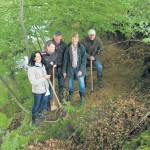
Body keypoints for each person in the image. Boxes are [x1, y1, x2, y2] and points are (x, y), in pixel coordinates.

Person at [62, 32, 87, 104]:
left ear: (78, 39)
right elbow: (65, 59)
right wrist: (64, 71)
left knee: (81, 83)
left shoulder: (81, 47)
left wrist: (81, 70)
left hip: (79, 68)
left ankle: (82, 96)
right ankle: (70, 95)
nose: (74, 41)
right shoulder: (68, 47)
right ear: (71, 39)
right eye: (73, 39)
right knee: (70, 83)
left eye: (75, 39)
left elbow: (84, 60)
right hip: (70, 68)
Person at [28, 51, 50, 126]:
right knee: (36, 105)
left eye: (39, 56)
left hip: (44, 88)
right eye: (36, 56)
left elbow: (44, 75)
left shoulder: (42, 65)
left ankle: (39, 114)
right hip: (37, 91)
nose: (38, 58)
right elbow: (33, 82)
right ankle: (33, 120)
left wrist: (46, 76)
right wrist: (44, 78)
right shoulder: (31, 69)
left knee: (41, 104)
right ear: (33, 59)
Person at [41, 41, 58, 112]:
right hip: (45, 77)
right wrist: (49, 64)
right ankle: (45, 107)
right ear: (47, 47)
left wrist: (55, 64)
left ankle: (50, 105)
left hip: (53, 75)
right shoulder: (42, 54)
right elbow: (40, 66)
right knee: (45, 93)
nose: (52, 48)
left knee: (51, 93)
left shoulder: (55, 53)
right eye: (51, 47)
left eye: (53, 47)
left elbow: (57, 61)